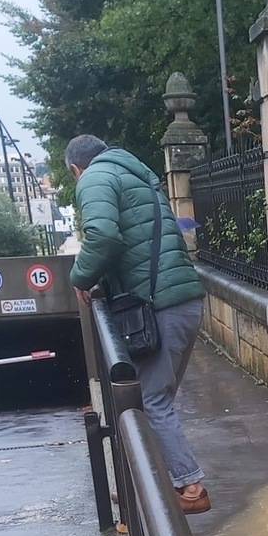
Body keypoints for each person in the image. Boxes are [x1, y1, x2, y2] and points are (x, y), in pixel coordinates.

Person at [65, 134, 210, 514]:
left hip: (159, 305)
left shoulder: (95, 179)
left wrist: (80, 277)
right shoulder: (138, 175)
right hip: (182, 301)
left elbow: (103, 235)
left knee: (152, 399)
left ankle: (190, 488)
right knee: (155, 399)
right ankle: (150, 485)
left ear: (75, 169)